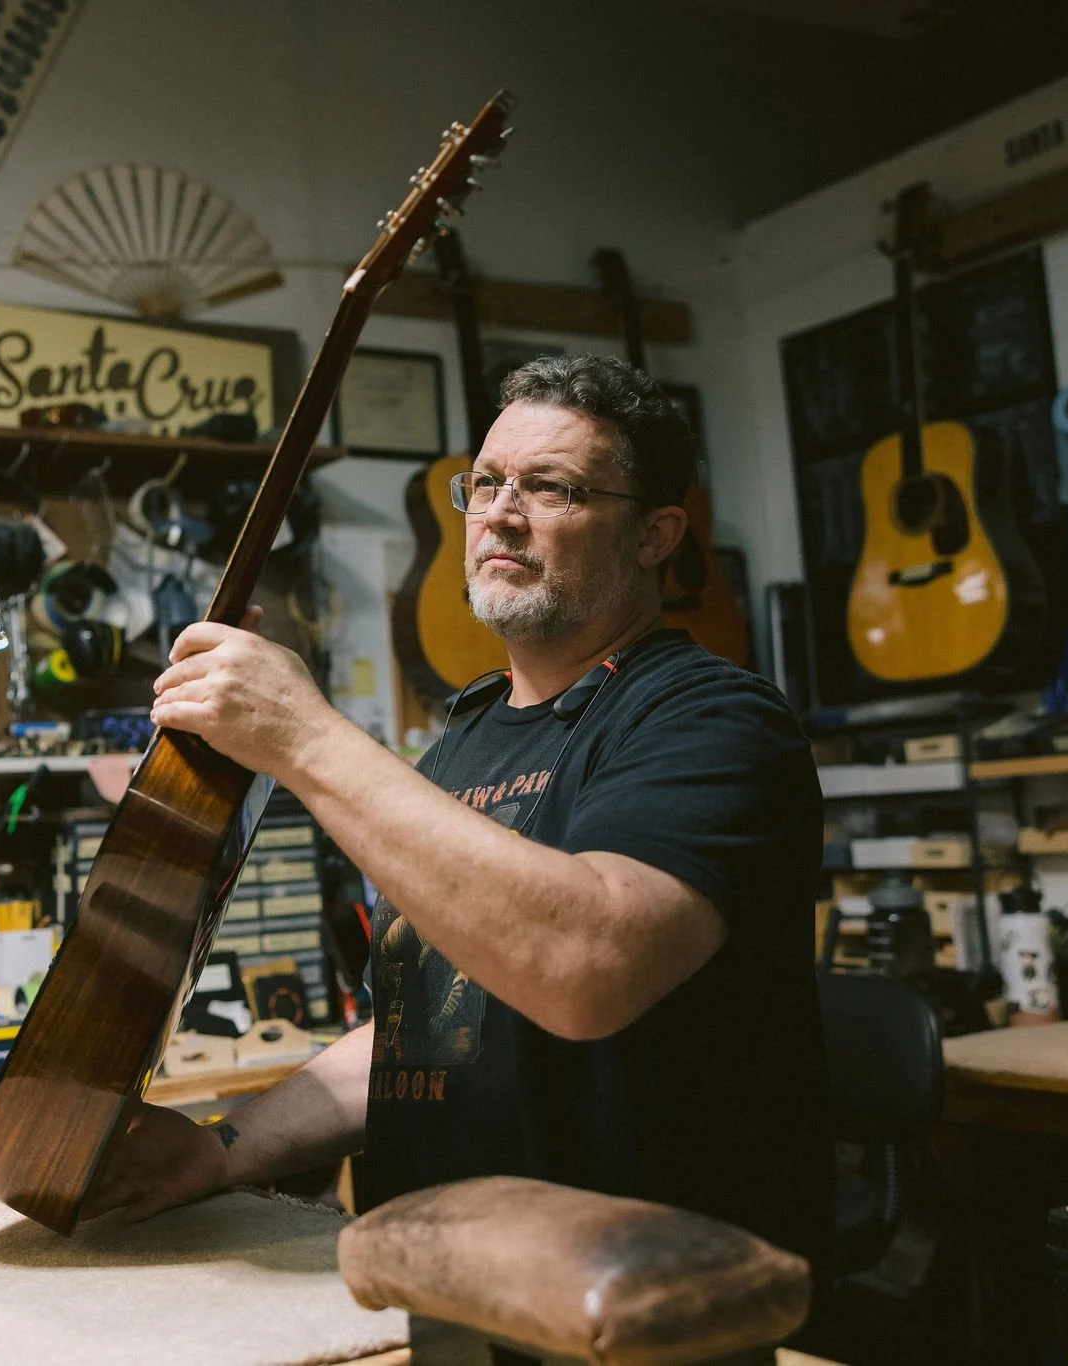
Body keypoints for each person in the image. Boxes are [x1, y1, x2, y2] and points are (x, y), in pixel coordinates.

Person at [84, 354, 832, 1276]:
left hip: (653, 1303)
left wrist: (305, 739)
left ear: (655, 534)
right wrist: (219, 1148)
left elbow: (586, 967)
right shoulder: (461, 745)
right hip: (448, 1293)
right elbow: (425, 1030)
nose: (501, 515)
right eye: (485, 483)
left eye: (553, 488)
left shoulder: (713, 720)